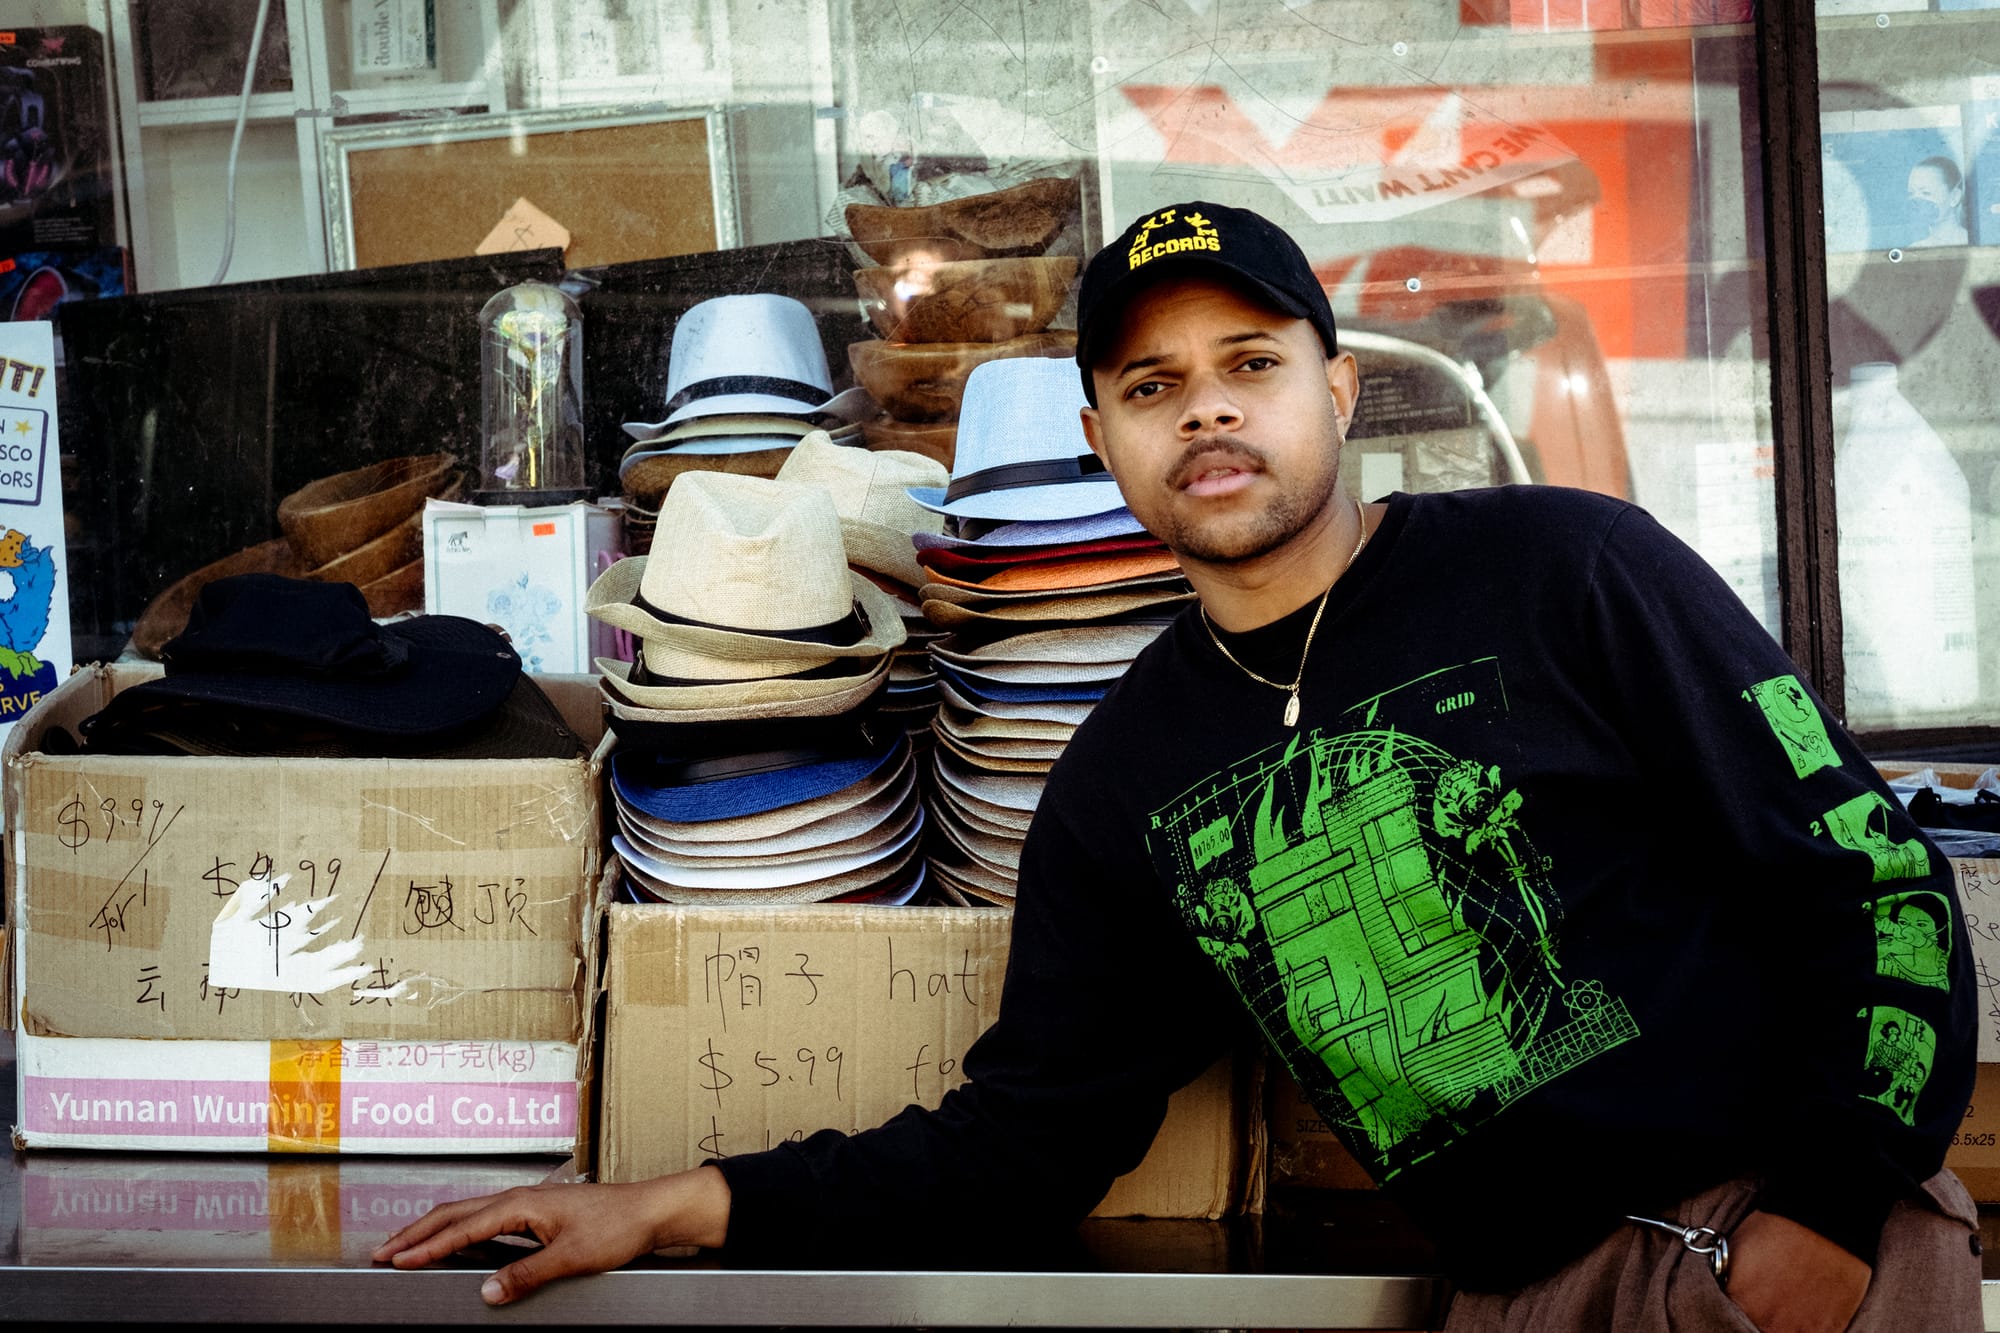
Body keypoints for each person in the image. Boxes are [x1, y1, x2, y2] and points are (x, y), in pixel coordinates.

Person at [376, 201, 1980, 1330]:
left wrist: (1827, 1218)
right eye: (1151, 386)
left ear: (1336, 387)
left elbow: (1877, 880)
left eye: (1250, 363)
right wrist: (670, 1201)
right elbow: (1028, 1141)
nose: (1205, 411)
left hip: (1788, 1240)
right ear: (1101, 434)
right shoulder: (1127, 779)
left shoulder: (1572, 569)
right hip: (1525, 1298)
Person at [1907, 156, 1969, 249]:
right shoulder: (1914, 249)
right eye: (1911, 193)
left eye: (1926, 193)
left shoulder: (1972, 241)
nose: (1917, 200)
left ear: (1954, 197)